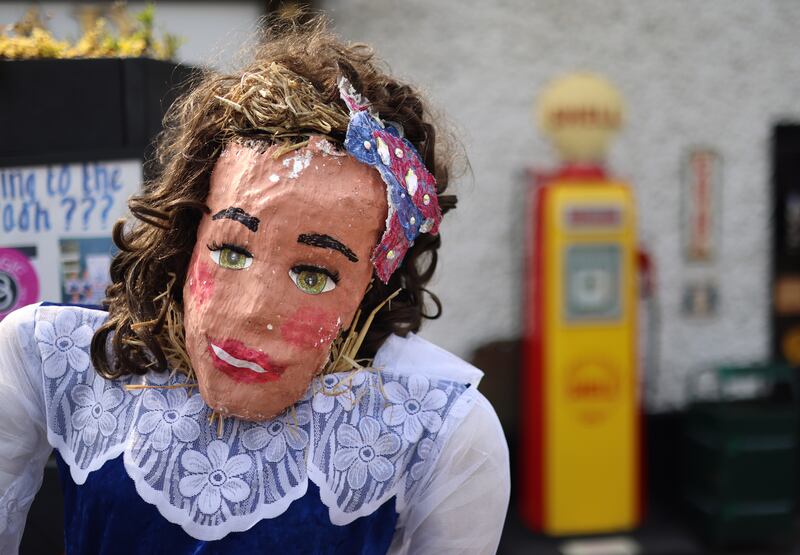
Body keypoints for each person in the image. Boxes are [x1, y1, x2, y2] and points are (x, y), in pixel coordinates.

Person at [0, 17, 509, 554]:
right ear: (189, 232)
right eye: (231, 250)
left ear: (371, 290)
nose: (252, 311)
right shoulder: (50, 359)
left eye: (313, 275)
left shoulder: (442, 431)